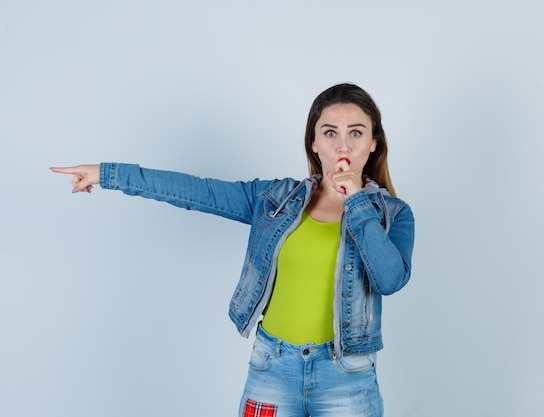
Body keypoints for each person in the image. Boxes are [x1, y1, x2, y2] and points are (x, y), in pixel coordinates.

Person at [51, 83, 415, 417]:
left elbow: (390, 279)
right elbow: (198, 192)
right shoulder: (275, 200)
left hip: (347, 377)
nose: (343, 146)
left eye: (356, 133)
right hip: (272, 368)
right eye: (330, 133)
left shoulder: (393, 215)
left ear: (373, 143)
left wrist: (356, 204)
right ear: (313, 143)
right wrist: (107, 173)